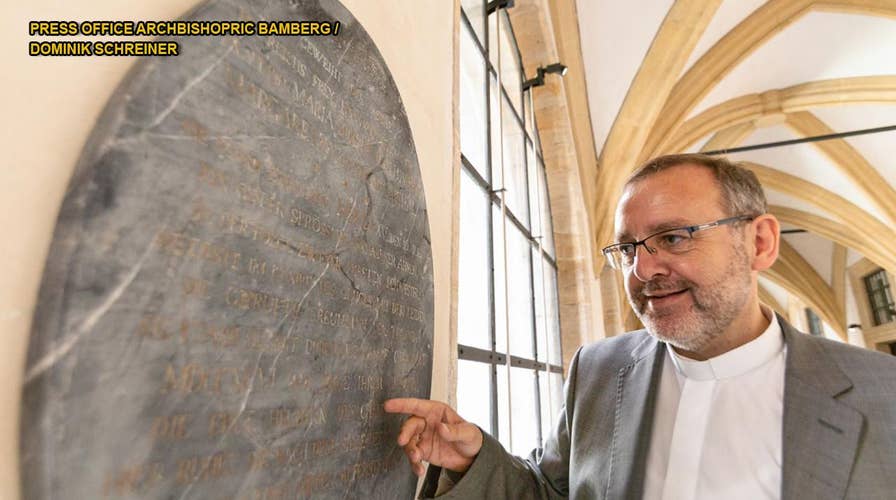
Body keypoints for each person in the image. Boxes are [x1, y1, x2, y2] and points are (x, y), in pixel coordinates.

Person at [385, 154, 896, 499]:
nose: (643, 270)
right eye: (627, 248)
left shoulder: (883, 396)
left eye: (674, 237)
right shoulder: (599, 369)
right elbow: (550, 492)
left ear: (760, 242)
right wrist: (473, 459)